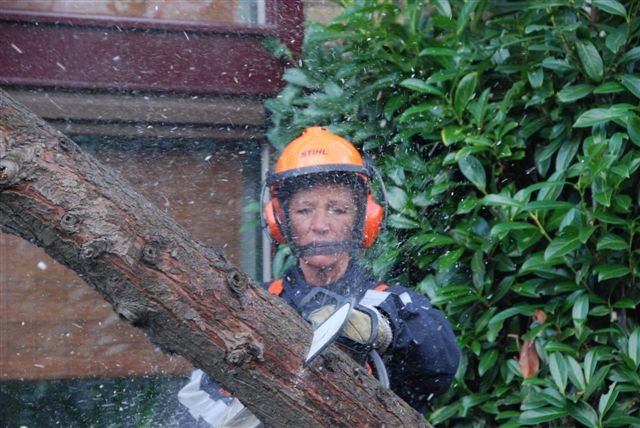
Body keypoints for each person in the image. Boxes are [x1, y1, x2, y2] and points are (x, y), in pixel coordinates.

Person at [176, 127, 460, 426]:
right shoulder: (252, 305)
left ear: (362, 218)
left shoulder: (391, 301)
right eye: (304, 210)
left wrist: (380, 328)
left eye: (337, 210)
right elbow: (196, 398)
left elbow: (439, 361)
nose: (320, 225)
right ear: (280, 219)